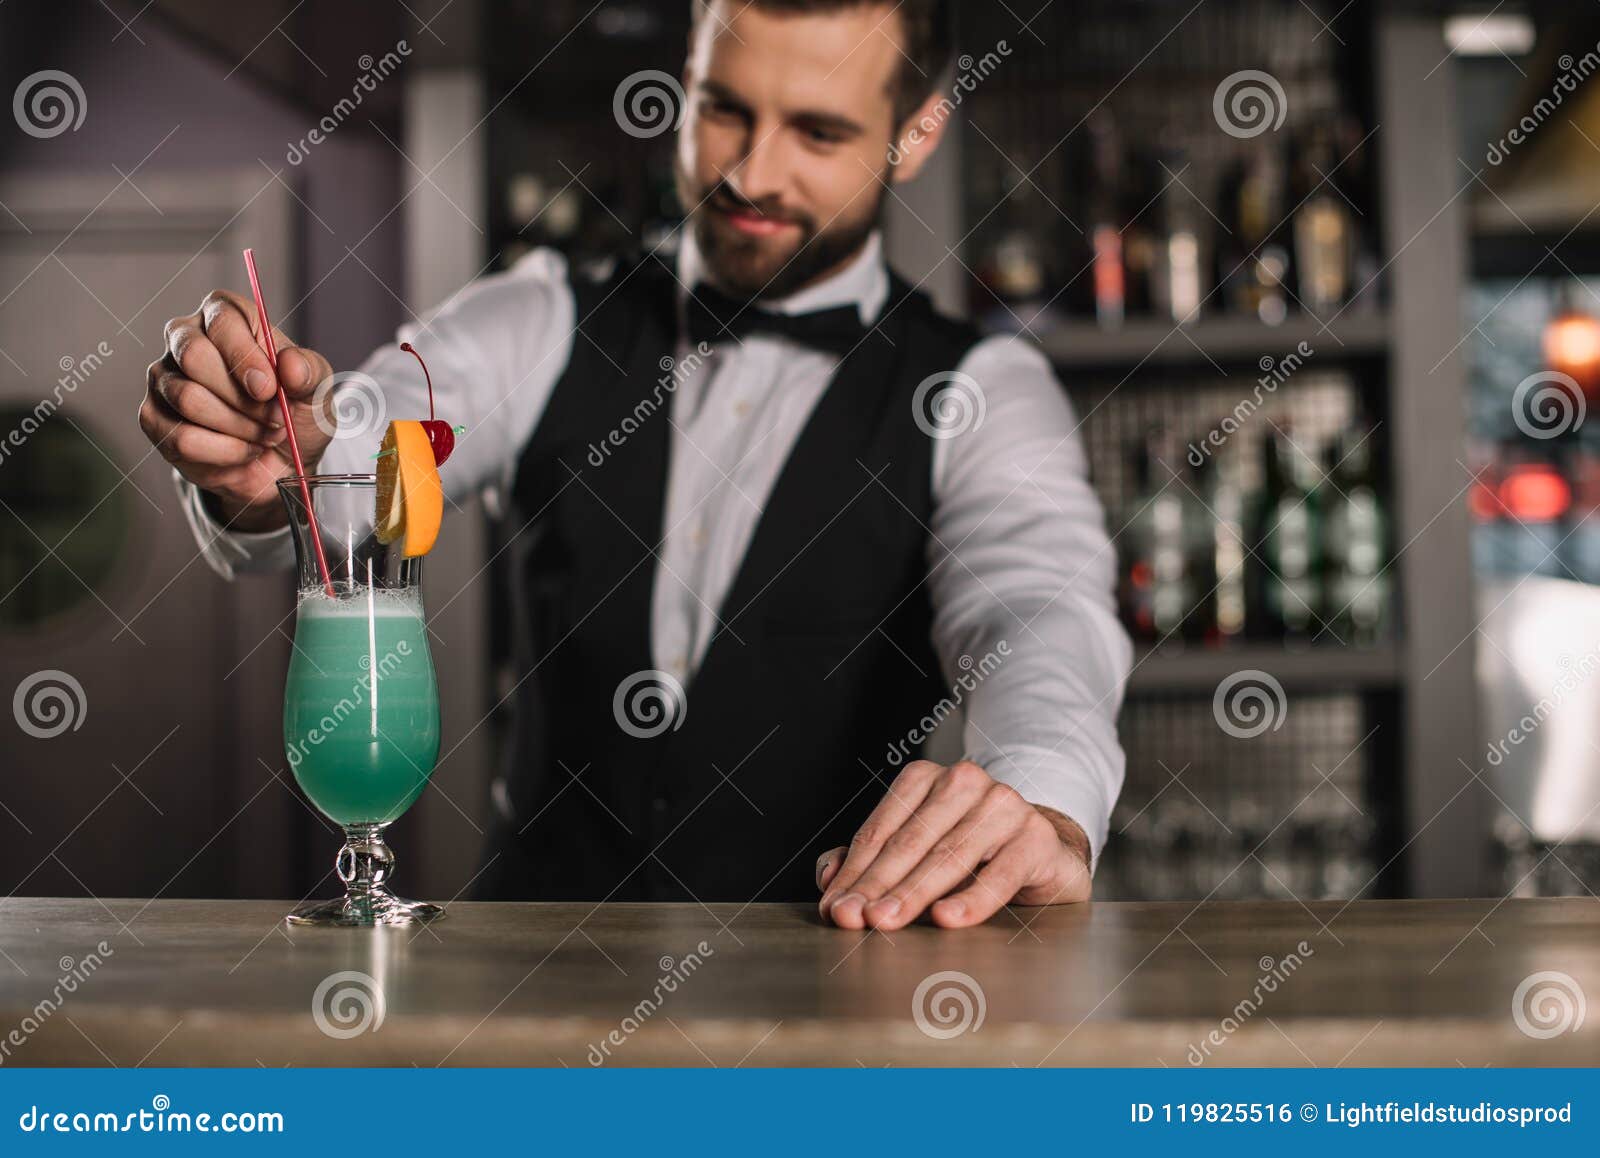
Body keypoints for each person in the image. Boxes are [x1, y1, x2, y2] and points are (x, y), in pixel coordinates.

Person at [138, 0, 1130, 929]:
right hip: (529, 1003)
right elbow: (375, 439)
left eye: (817, 133)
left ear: (916, 130)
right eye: (722, 110)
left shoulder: (980, 387)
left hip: (818, 1008)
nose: (749, 172)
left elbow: (1038, 607)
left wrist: (1040, 797)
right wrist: (281, 456)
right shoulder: (539, 317)